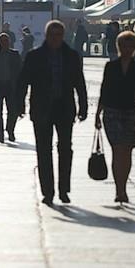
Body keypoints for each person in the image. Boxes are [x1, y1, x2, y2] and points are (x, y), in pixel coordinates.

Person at [18, 20, 88, 206]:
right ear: (47, 36)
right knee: (43, 150)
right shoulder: (34, 56)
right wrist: (19, 105)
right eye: (52, 35)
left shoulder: (72, 56)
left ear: (63, 36)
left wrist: (83, 105)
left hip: (64, 108)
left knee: (65, 149)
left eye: (58, 35)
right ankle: (48, 191)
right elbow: (23, 81)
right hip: (41, 109)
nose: (55, 39)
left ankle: (64, 189)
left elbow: (79, 82)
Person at [94, 31, 135, 204]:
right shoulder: (111, 66)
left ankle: (123, 185)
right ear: (118, 47)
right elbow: (104, 90)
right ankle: (119, 190)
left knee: (127, 151)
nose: (127, 49)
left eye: (130, 46)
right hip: (112, 112)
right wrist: (97, 113)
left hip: (132, 112)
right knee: (117, 150)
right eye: (124, 46)